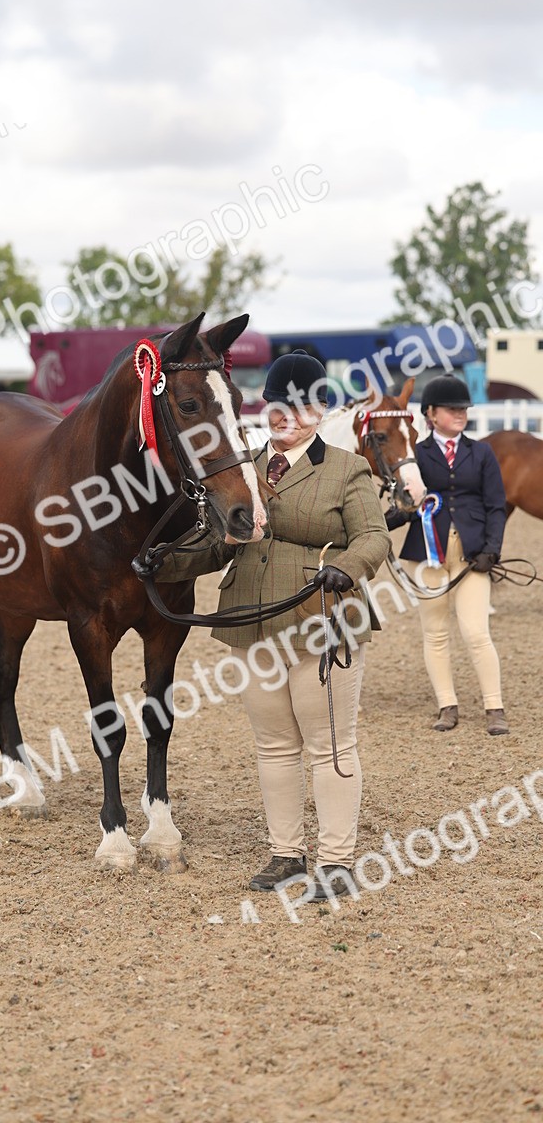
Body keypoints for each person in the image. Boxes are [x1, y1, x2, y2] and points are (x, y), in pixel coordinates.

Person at [148, 350, 390, 900]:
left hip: (320, 620)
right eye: (278, 405)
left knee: (330, 745)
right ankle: (286, 855)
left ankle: (336, 862)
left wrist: (347, 569)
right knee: (274, 746)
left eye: (301, 407)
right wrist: (163, 563)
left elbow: (373, 537)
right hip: (252, 623)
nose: (287, 416)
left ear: (321, 410)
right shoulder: (244, 468)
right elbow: (217, 544)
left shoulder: (346, 468)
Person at [385, 374, 508, 735]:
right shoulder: (417, 454)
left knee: (476, 632)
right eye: (452, 408)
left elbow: (496, 506)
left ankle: (494, 707)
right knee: (435, 633)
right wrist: (382, 522)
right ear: (431, 414)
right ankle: (447, 705)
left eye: (463, 408)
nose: (460, 413)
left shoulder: (482, 452)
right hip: (426, 555)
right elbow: (409, 503)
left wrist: (492, 550)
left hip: (472, 556)